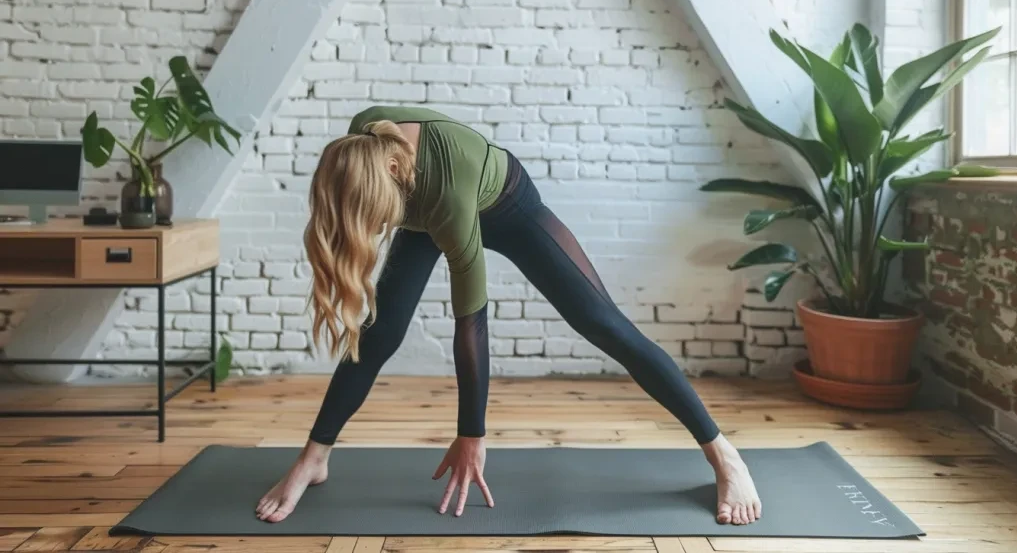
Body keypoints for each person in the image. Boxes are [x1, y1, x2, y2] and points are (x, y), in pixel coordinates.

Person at [255, 105, 762, 526]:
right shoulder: (359, 147)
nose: (378, 224)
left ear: (392, 172)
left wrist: (471, 434)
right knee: (380, 331)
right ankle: (313, 457)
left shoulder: (449, 201)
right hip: (424, 202)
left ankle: (723, 454)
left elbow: (471, 322)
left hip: (508, 206)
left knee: (601, 322)